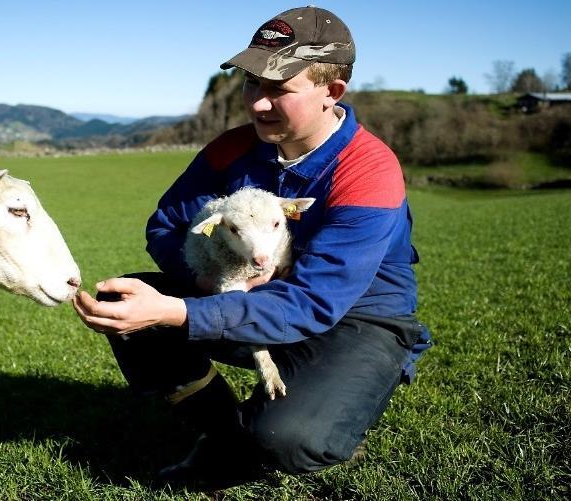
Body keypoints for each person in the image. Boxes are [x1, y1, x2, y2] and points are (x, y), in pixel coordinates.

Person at [73, 5, 432, 487]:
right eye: (250, 83)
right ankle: (222, 436)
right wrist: (204, 280)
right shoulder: (232, 149)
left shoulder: (367, 171)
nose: (257, 103)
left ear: (332, 92)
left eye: (278, 89)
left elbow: (316, 301)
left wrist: (180, 313)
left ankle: (328, 408)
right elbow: (166, 226)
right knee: (126, 298)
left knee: (290, 436)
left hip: (357, 320)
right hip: (247, 298)